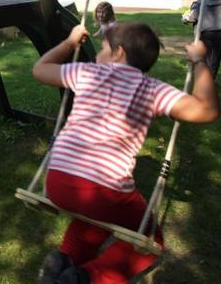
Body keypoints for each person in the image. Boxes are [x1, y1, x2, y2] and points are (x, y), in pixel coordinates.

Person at [32, 22, 218, 284]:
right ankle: (88, 277)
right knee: (150, 238)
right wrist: (198, 60)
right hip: (105, 191)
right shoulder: (152, 89)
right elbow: (206, 110)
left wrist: (70, 43)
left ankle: (64, 261)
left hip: (58, 181)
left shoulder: (86, 73)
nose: (98, 54)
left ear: (119, 52)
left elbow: (39, 69)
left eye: (103, 48)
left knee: (95, 216)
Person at [182, 0, 221, 78]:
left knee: (205, 58)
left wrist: (184, 18)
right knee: (215, 59)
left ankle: (205, 78)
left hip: (205, 34)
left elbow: (191, 17)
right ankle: (210, 78)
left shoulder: (201, 1)